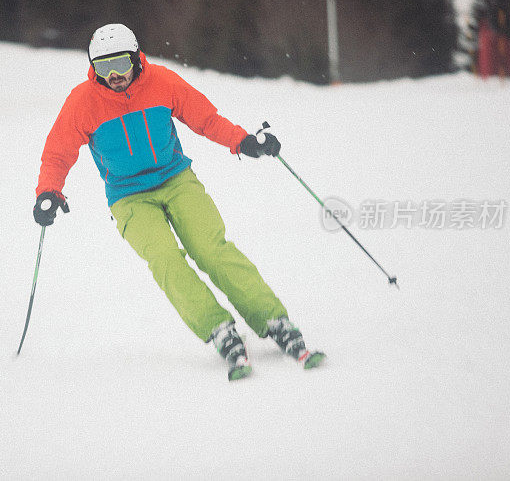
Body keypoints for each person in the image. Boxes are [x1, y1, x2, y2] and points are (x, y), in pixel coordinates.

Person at [34, 23, 324, 380]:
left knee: (211, 249)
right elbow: (57, 153)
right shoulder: (83, 101)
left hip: (176, 180)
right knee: (165, 260)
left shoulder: (163, 83)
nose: (114, 76)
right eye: (104, 68)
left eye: (121, 64)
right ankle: (218, 328)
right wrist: (49, 191)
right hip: (128, 198)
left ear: (136, 58)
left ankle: (273, 319)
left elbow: (205, 119)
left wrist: (244, 141)